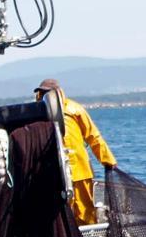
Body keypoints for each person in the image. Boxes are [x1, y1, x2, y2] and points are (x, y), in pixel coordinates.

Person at [35, 78, 117, 225]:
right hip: (54, 173)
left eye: (46, 93)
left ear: (57, 93)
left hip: (80, 171)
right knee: (59, 214)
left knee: (85, 212)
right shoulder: (38, 112)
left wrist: (108, 160)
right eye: (41, 93)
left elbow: (93, 136)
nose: (43, 96)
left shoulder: (75, 109)